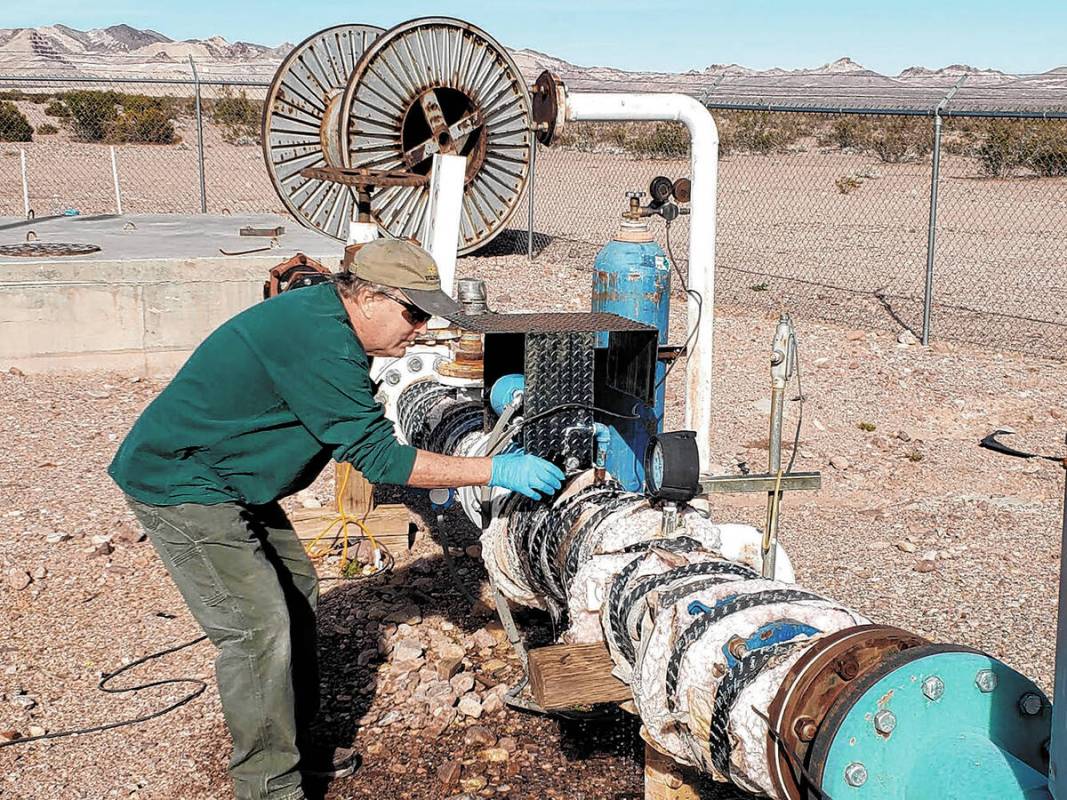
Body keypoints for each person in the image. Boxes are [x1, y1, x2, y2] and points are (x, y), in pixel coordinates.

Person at [108, 238, 564, 800]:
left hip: (232, 480)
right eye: (413, 313)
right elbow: (379, 458)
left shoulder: (332, 320)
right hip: (182, 481)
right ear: (369, 297)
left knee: (296, 589)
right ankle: (268, 785)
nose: (419, 328)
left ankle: (294, 747)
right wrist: (494, 469)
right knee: (256, 628)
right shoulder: (320, 341)